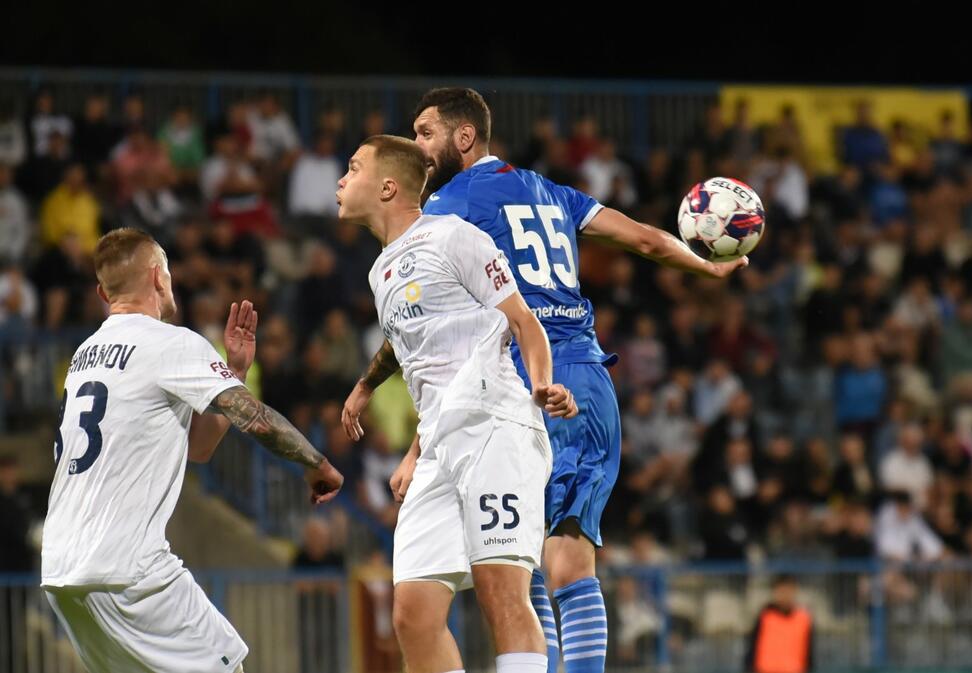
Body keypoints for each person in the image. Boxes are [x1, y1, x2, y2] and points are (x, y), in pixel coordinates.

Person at [343, 87, 747, 673]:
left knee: (527, 564)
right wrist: (706, 266)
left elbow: (425, 321)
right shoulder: (550, 191)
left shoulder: (446, 208)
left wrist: (375, 394)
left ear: (464, 137)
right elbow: (642, 237)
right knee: (548, 562)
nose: (419, 150)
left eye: (426, 133)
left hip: (517, 380)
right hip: (585, 375)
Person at [40, 227, 343, 673]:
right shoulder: (171, 342)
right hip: (129, 570)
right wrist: (316, 462)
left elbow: (197, 449)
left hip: (63, 574)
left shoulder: (83, 355)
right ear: (159, 278)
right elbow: (252, 416)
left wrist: (232, 372)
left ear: (103, 293)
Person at [337, 134, 577, 673]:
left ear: (388, 186)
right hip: (440, 444)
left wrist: (541, 387)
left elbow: (524, 323)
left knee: (501, 591)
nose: (341, 179)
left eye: (353, 168)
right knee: (412, 613)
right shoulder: (381, 271)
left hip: (496, 426)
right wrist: (412, 447)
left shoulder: (452, 237)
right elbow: (430, 364)